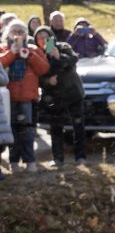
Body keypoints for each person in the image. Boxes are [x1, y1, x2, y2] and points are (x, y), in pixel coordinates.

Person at [2, 19, 50, 174]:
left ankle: (30, 162)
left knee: (27, 132)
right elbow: (1, 64)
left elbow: (43, 68)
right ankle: (14, 162)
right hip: (7, 99)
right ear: (8, 33)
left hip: (27, 97)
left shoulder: (33, 48)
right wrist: (12, 53)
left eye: (20, 31)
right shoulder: (3, 48)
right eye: (14, 31)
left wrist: (29, 55)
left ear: (26, 34)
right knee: (11, 132)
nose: (17, 34)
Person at [33, 26, 85, 166]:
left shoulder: (62, 46)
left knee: (78, 125)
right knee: (56, 128)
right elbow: (36, 77)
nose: (44, 40)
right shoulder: (36, 53)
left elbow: (73, 60)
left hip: (72, 93)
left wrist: (58, 56)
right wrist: (47, 81)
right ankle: (58, 158)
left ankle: (80, 157)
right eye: (40, 38)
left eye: (46, 37)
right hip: (53, 97)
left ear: (52, 37)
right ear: (36, 40)